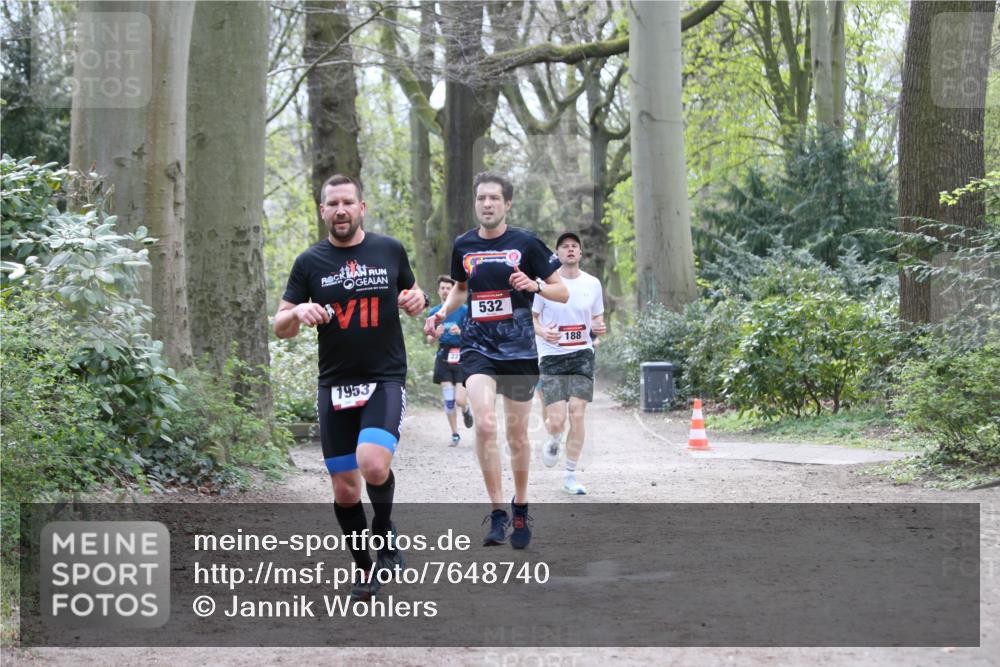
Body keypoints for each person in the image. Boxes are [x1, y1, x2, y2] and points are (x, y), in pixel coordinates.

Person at [274, 174, 426, 600]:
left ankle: (384, 529)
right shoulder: (309, 263)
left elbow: (414, 295)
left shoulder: (389, 250)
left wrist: (420, 299)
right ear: (322, 211)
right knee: (344, 486)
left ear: (361, 207)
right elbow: (280, 325)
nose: (340, 210)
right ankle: (363, 568)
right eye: (332, 204)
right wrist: (299, 311)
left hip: (384, 378)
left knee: (373, 464)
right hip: (335, 383)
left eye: (347, 202)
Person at [424, 172, 568, 550]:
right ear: (476, 204)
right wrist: (440, 314)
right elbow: (459, 290)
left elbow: (562, 291)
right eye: (481, 198)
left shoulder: (526, 243)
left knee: (517, 437)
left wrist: (535, 285)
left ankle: (520, 505)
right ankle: (497, 511)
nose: (487, 204)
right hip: (478, 348)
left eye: (494, 198)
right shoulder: (463, 245)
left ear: (507, 204)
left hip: (519, 351)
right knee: (485, 423)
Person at [532, 231, 606, 495]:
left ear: (580, 252)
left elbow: (596, 320)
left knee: (577, 412)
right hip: (551, 355)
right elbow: (532, 319)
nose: (570, 250)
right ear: (557, 254)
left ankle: (570, 475)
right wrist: (543, 332)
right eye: (565, 246)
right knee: (557, 420)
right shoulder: (545, 284)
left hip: (582, 354)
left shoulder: (593, 284)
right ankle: (553, 437)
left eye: (575, 246)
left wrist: (599, 327)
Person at [426, 275, 474, 446]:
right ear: (438, 291)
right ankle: (455, 434)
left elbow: (474, 335)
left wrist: (461, 331)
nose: (445, 291)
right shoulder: (434, 313)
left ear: (453, 290)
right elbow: (429, 341)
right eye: (443, 288)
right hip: (444, 355)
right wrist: (435, 335)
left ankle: (466, 410)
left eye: (448, 288)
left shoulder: (464, 310)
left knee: (460, 400)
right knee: (448, 398)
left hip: (462, 355)